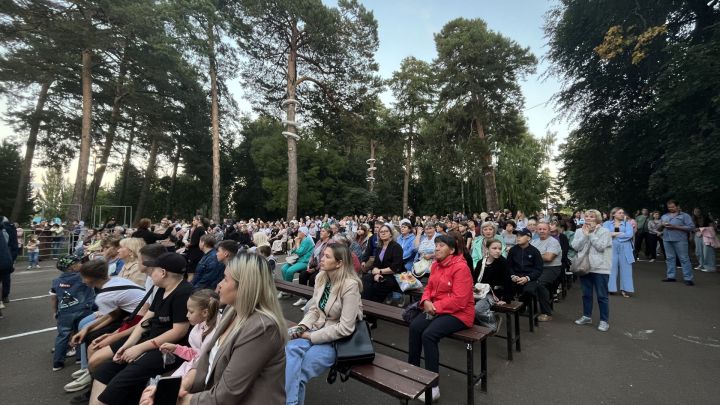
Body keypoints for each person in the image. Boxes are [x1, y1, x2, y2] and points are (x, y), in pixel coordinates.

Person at [139, 253, 286, 405]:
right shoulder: (232, 310)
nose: (219, 284)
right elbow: (205, 358)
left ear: (244, 285)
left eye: (225, 279)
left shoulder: (262, 329)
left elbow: (226, 395)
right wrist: (181, 384)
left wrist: (171, 398)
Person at [89, 252, 192, 405]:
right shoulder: (162, 289)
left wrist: (140, 348)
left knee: (123, 379)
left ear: (163, 273)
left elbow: (179, 331)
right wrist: (127, 345)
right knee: (105, 370)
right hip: (151, 341)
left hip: (168, 349)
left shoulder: (184, 293)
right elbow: (146, 320)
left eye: (153, 270)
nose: (150, 274)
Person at [285, 243, 363, 405]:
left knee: (297, 374)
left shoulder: (350, 285)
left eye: (327, 257)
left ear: (339, 263)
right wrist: (302, 326)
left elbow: (346, 328)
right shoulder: (322, 277)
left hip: (337, 341)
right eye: (323, 255)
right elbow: (314, 310)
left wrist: (311, 336)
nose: (321, 259)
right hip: (317, 329)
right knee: (289, 349)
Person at [408, 235, 474, 402]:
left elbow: (460, 300)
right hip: (437, 309)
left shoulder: (461, 268)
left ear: (451, 250)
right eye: (436, 245)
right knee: (415, 327)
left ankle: (433, 386)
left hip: (459, 314)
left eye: (441, 245)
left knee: (429, 335)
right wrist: (426, 301)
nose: (436, 248)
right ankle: (413, 372)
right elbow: (428, 287)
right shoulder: (436, 265)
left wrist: (435, 307)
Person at [67, 260, 146, 393]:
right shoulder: (116, 280)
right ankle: (89, 369)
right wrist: (87, 328)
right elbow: (112, 313)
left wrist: (89, 330)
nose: (82, 280)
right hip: (133, 314)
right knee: (90, 334)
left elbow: (112, 316)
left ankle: (92, 373)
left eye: (82, 277)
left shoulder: (103, 296)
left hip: (138, 319)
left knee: (94, 340)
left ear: (89, 279)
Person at [159, 289, 220, 378]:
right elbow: (196, 354)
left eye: (191, 312)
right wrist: (176, 348)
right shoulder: (200, 328)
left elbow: (201, 359)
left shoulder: (215, 333)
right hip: (193, 369)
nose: (187, 315)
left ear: (205, 312)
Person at [50, 254, 95, 371]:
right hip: (83, 310)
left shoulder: (56, 281)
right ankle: (80, 357)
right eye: (79, 263)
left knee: (63, 335)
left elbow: (53, 297)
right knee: (80, 333)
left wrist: (54, 311)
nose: (82, 264)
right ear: (72, 267)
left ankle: (57, 362)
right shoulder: (83, 277)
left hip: (64, 312)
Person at [571, 209, 612, 332]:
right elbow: (575, 246)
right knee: (586, 294)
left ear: (598, 219)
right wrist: (584, 234)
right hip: (584, 267)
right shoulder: (579, 231)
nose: (588, 218)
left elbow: (600, 247)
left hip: (601, 268)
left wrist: (590, 234)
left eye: (592, 217)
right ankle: (587, 316)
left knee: (602, 296)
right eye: (587, 216)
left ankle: (604, 321)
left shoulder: (605, 231)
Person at [361, 224, 404, 310]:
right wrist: (376, 274)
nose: (383, 233)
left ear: (391, 234)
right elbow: (375, 265)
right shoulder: (379, 248)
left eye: (386, 231)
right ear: (379, 235)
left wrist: (379, 272)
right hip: (380, 274)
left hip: (393, 275)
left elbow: (395, 268)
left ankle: (371, 310)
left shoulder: (396, 247)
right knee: (365, 279)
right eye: (381, 232)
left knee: (377, 287)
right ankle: (365, 307)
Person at [530, 222, 562, 321]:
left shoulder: (553, 242)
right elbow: (526, 254)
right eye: (540, 229)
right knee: (520, 279)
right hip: (537, 268)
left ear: (549, 230)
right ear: (536, 230)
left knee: (540, 283)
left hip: (552, 268)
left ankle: (546, 313)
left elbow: (548, 257)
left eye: (544, 229)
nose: (542, 231)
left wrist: (533, 256)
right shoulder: (534, 242)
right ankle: (525, 306)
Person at [660, 200, 696, 285]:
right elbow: (659, 228)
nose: (670, 208)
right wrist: (662, 225)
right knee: (669, 258)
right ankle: (671, 277)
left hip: (680, 240)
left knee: (684, 258)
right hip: (666, 239)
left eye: (672, 207)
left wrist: (675, 226)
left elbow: (691, 227)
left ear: (677, 206)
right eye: (669, 207)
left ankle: (688, 278)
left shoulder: (685, 216)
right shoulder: (664, 216)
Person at [506, 228, 543, 309]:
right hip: (515, 277)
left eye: (521, 236)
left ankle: (522, 305)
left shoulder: (535, 251)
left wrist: (527, 278)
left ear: (529, 238)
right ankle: (510, 306)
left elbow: (538, 269)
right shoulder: (513, 250)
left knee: (529, 291)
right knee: (505, 288)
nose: (518, 238)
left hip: (529, 278)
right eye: (517, 236)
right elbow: (509, 266)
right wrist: (512, 276)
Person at [603, 207, 635, 297]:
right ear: (613, 214)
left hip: (625, 248)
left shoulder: (627, 224)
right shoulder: (607, 223)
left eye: (623, 213)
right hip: (611, 247)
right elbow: (604, 233)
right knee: (611, 268)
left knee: (626, 269)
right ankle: (610, 288)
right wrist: (619, 234)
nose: (622, 214)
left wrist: (614, 234)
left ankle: (625, 289)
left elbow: (629, 234)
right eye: (620, 213)